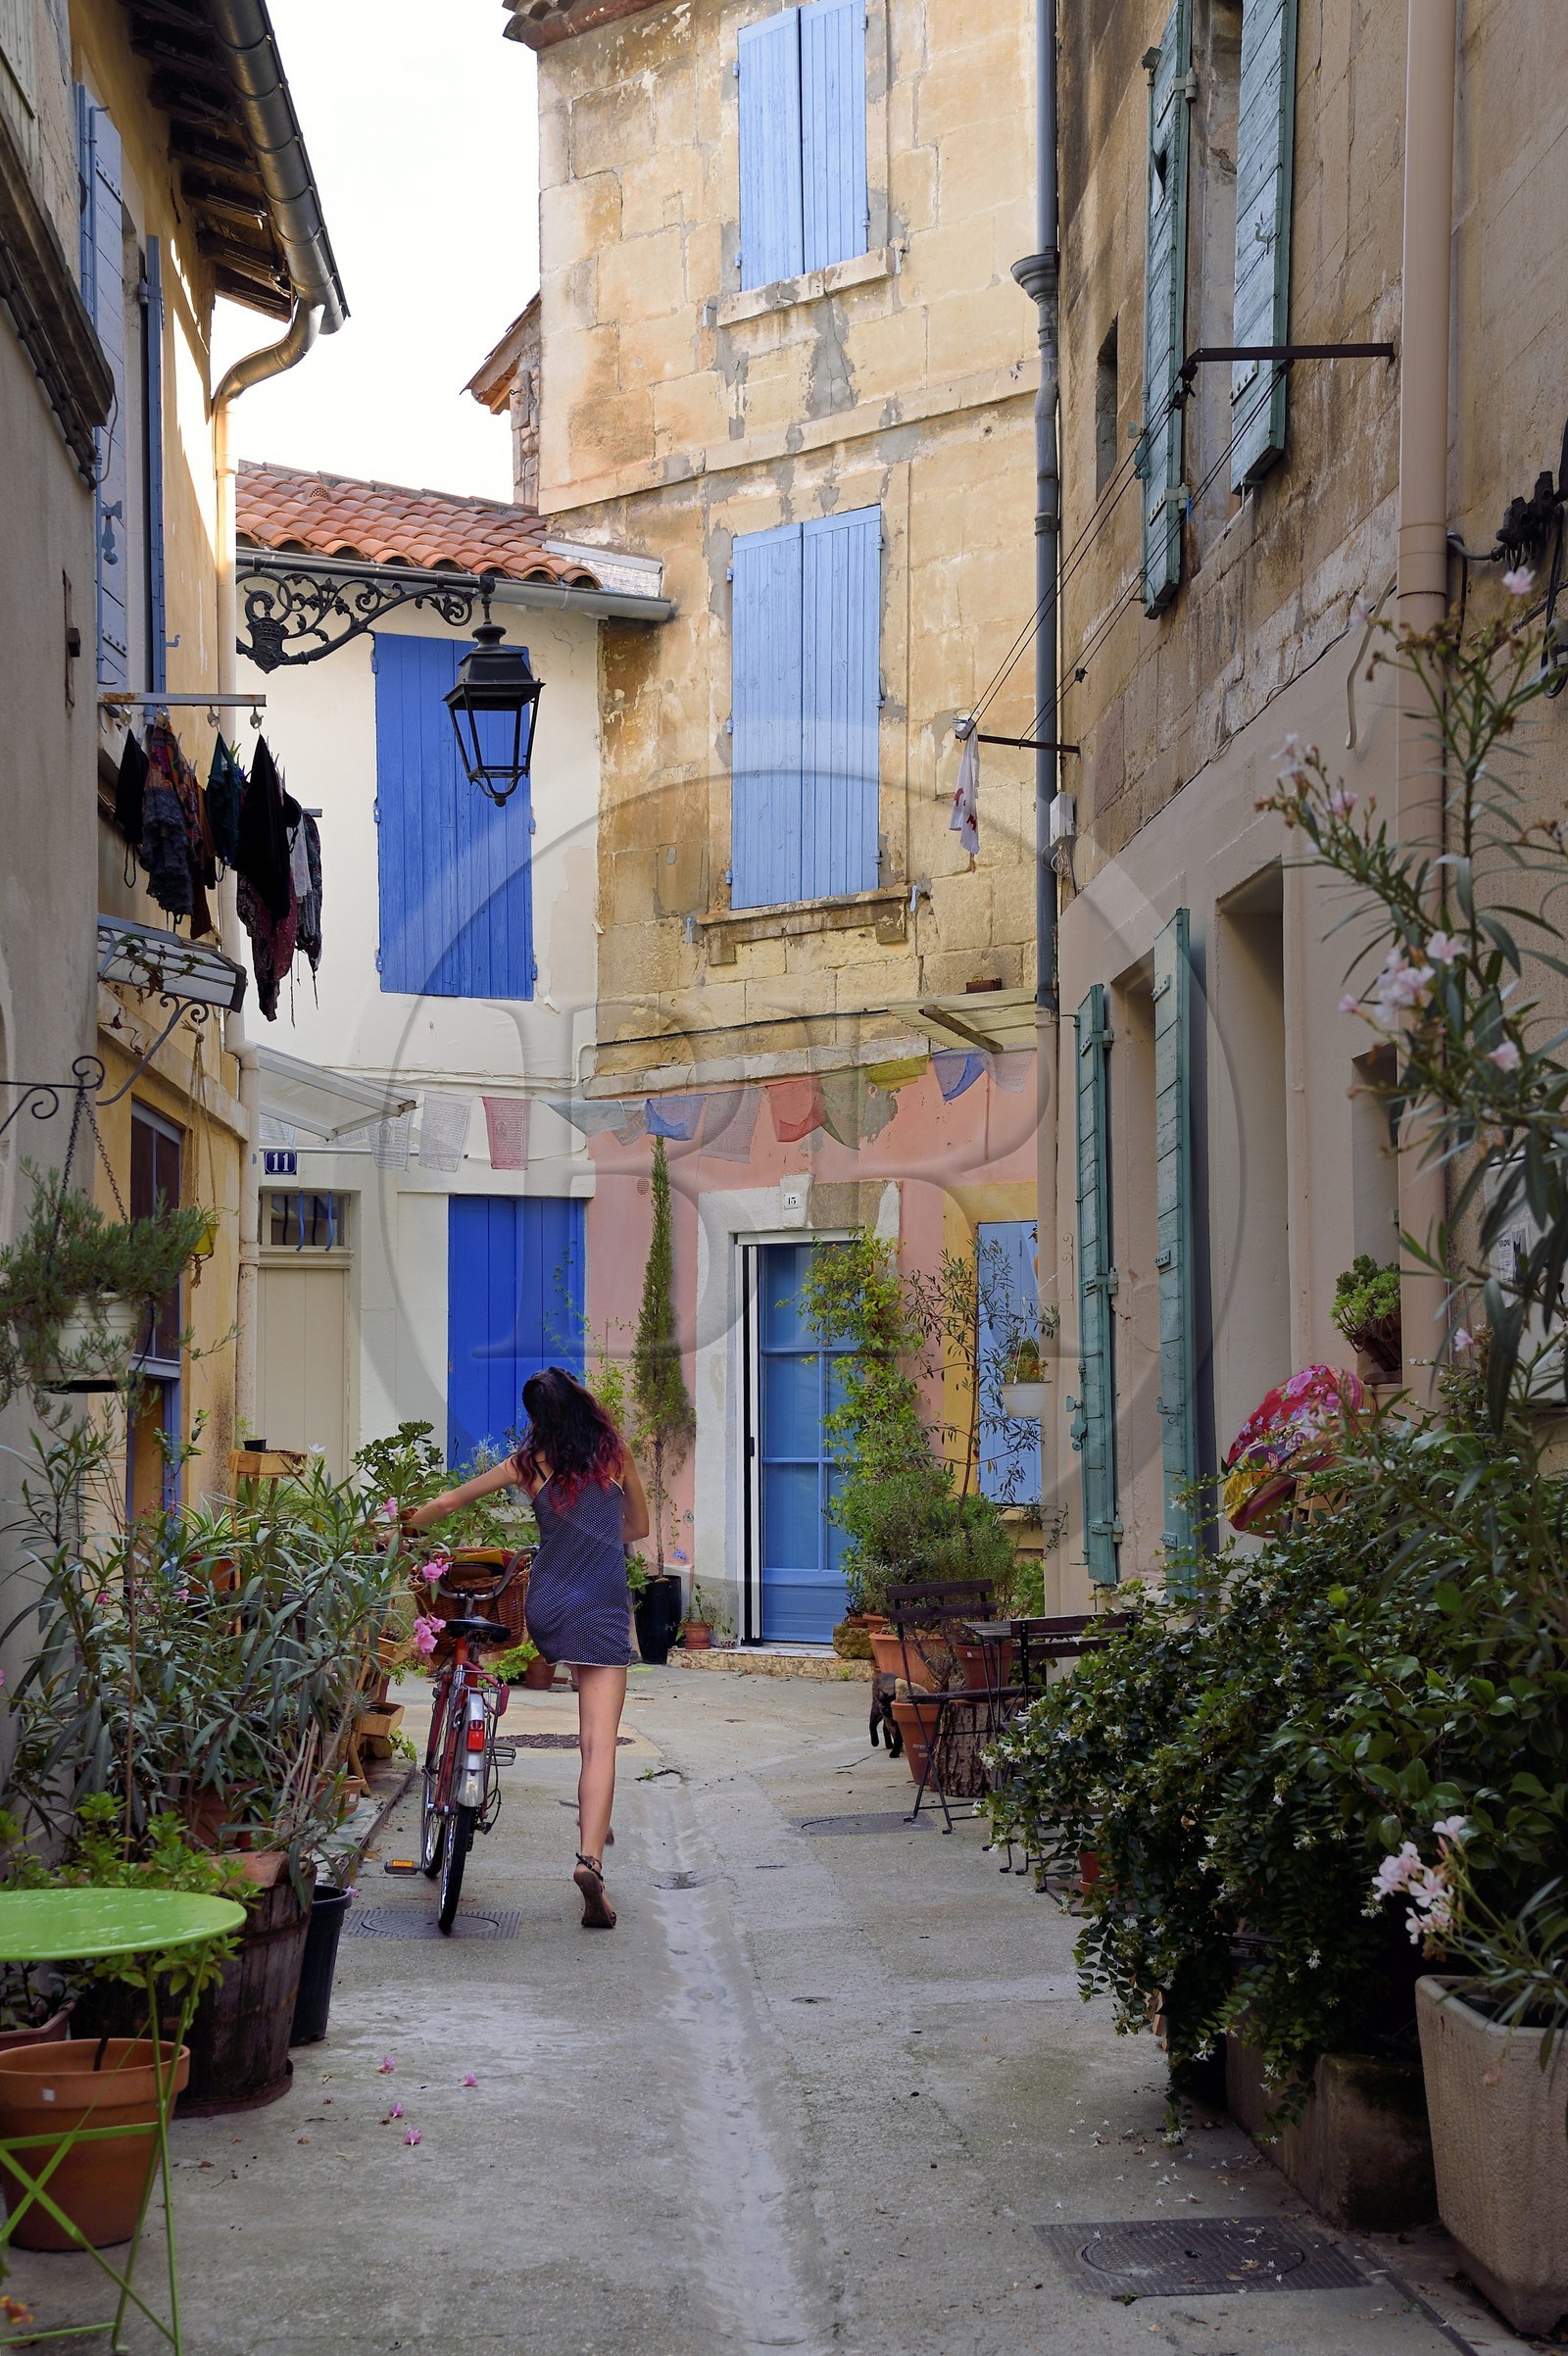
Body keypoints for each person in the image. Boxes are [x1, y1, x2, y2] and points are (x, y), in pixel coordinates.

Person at [404, 1367, 650, 1930]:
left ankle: (592, 1818)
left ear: (538, 1417)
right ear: (582, 1405)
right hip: (603, 1604)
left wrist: (397, 1526)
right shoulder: (614, 1457)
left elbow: (449, 1502)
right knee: (599, 1743)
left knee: (590, 1738)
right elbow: (634, 1527)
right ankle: (590, 1860)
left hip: (548, 1604)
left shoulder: (527, 1464)